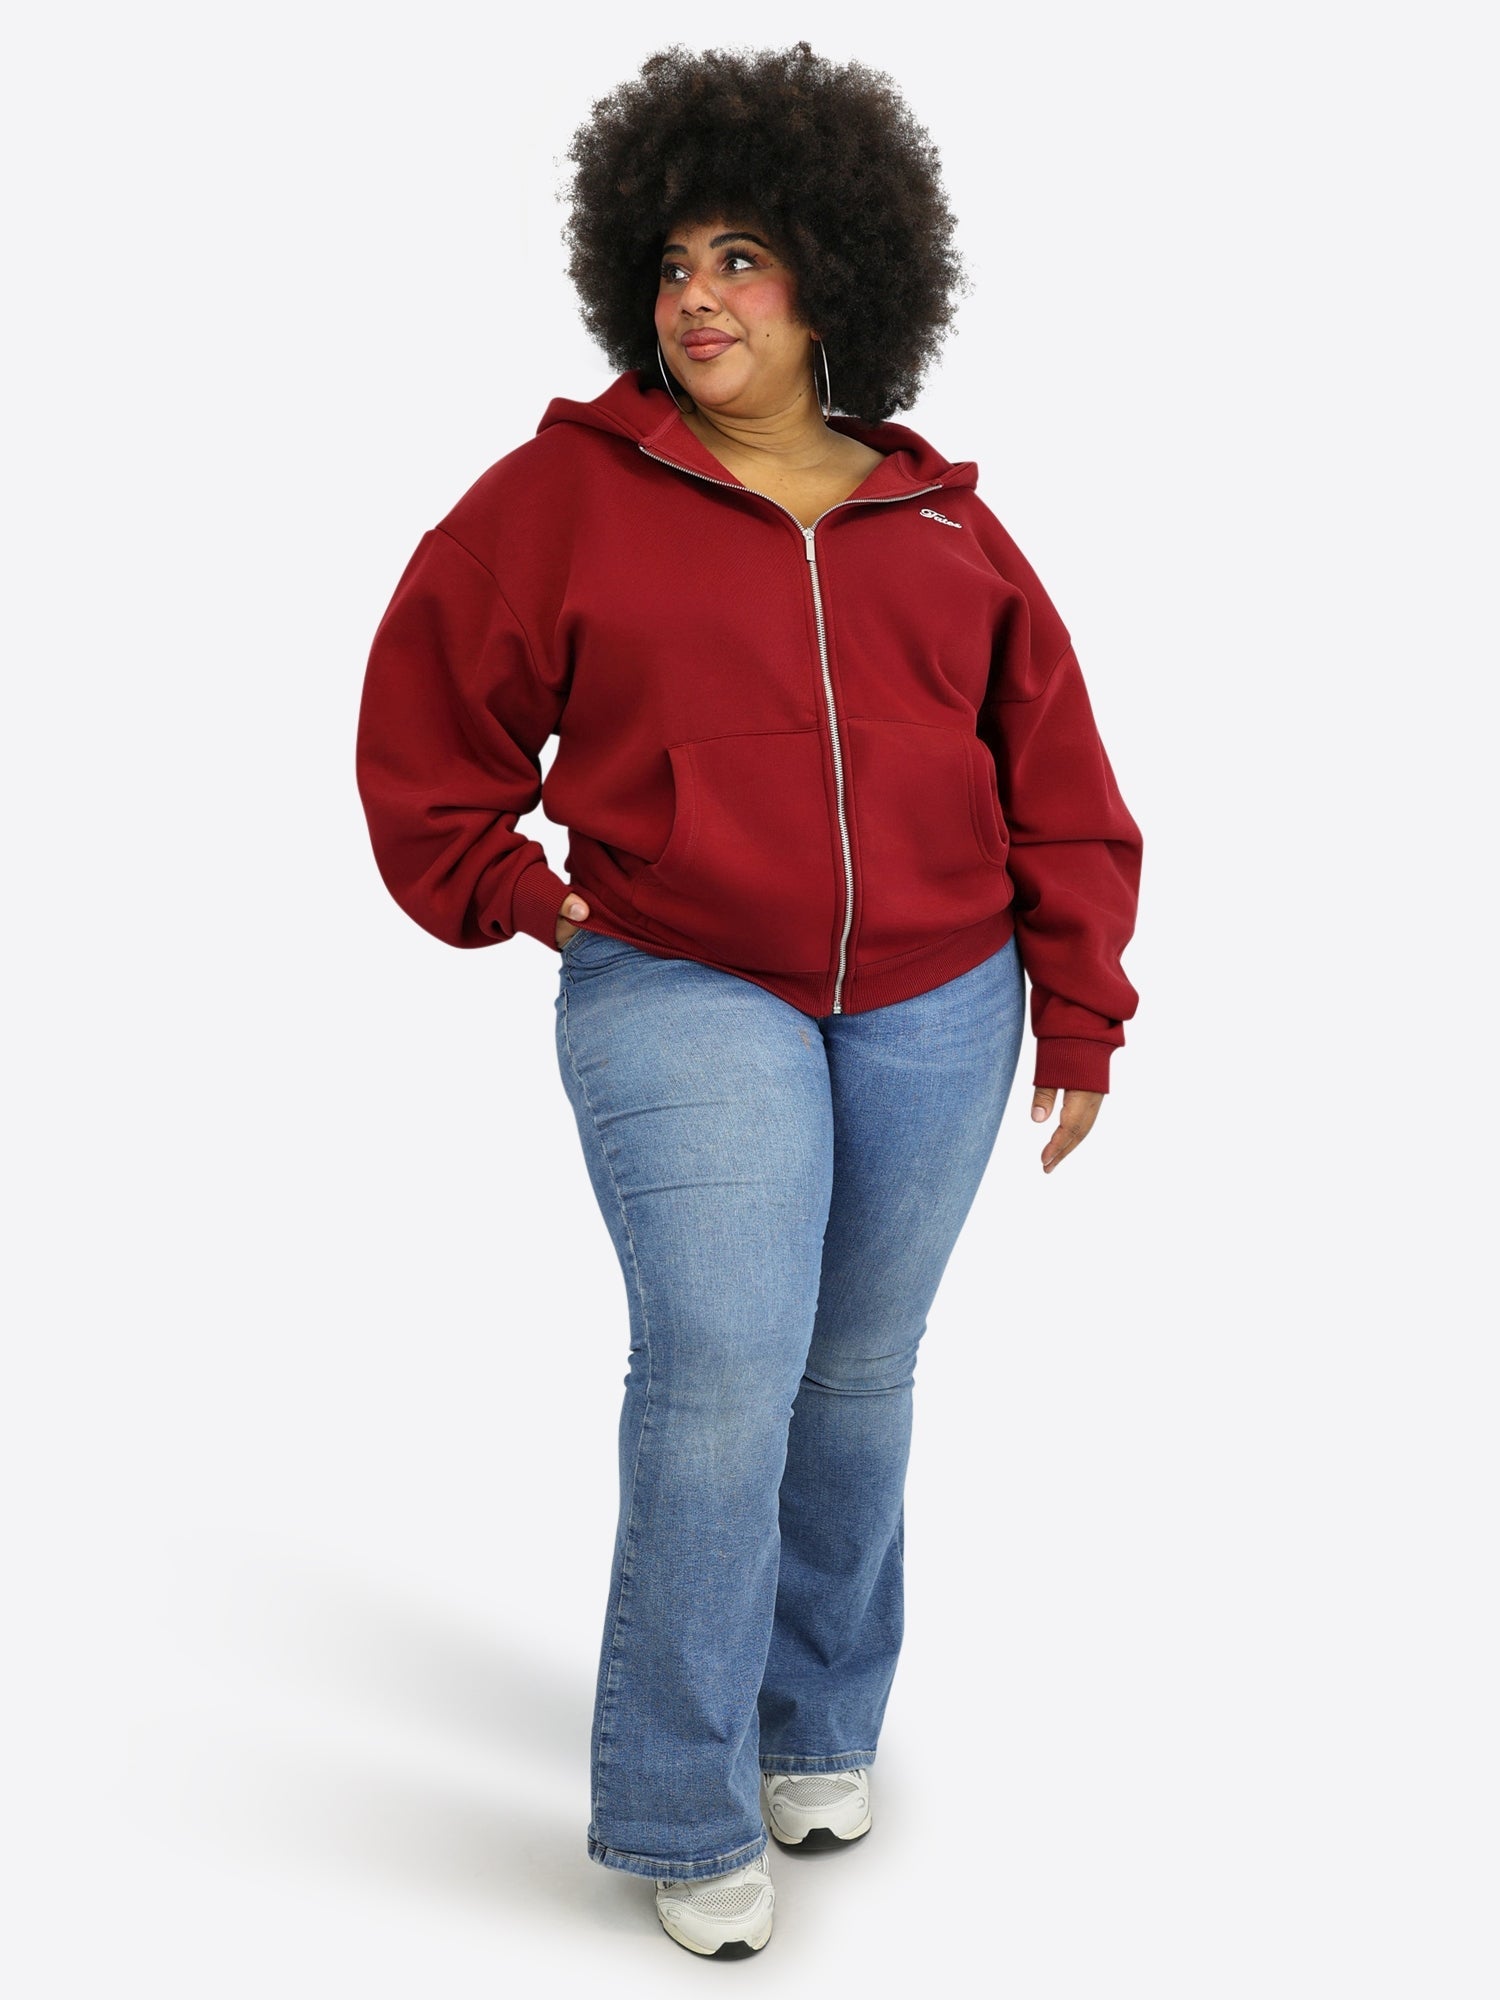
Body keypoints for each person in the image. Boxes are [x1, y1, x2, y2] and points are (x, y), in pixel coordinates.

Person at [355, 41, 1143, 1960]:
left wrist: (1080, 1001)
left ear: (833, 278)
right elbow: (426, 729)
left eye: (743, 259)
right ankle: (680, 1803)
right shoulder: (564, 496)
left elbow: (1054, 769)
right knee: (721, 1369)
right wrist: (515, 894)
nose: (697, 299)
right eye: (674, 263)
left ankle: (819, 1727)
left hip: (940, 998)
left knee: (857, 1374)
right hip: (683, 978)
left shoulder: (941, 518)